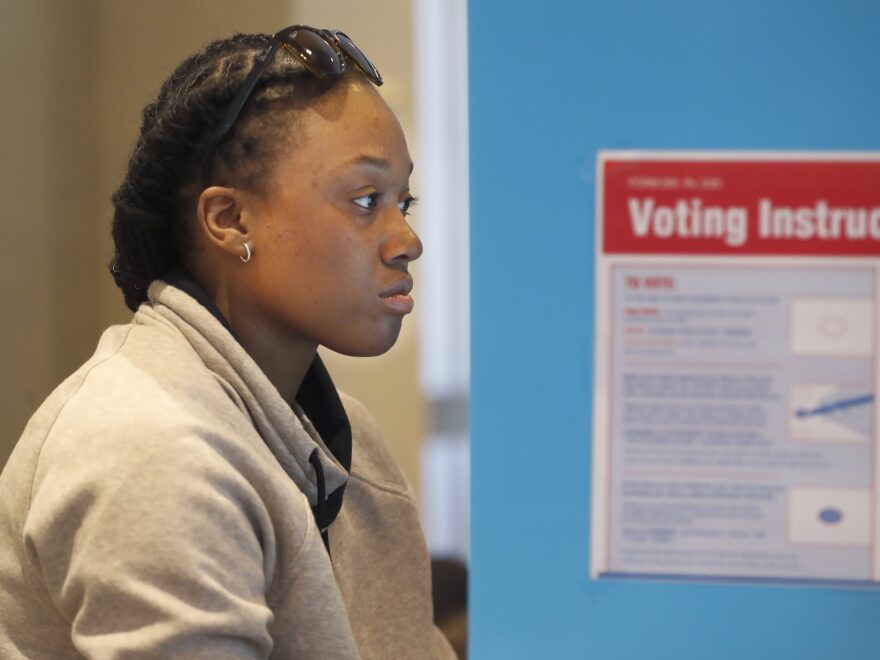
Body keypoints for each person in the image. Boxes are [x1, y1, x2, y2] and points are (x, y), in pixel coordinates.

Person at [0, 26, 456, 659]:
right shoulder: (150, 448)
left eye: (402, 200)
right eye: (365, 199)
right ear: (229, 220)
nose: (406, 238)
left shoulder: (353, 443)